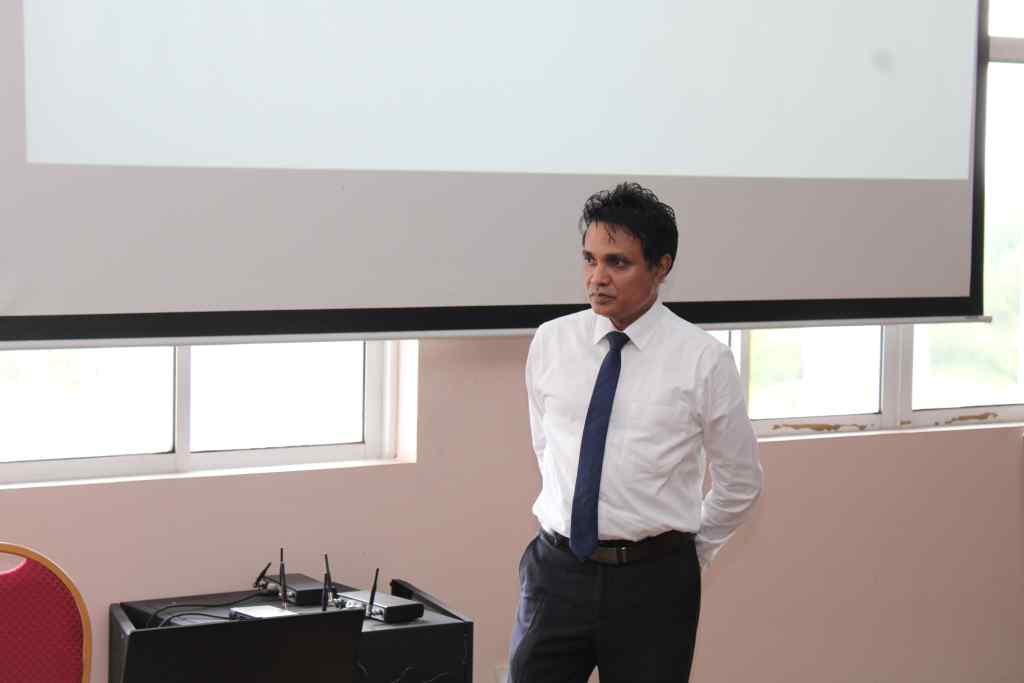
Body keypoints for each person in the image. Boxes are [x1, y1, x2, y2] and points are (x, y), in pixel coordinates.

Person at [510, 182, 763, 683]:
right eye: (589, 260)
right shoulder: (551, 342)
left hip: (653, 585)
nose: (597, 278)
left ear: (661, 267)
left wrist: (686, 552)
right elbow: (548, 447)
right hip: (556, 574)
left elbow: (740, 482)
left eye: (618, 263)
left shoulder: (703, 360)